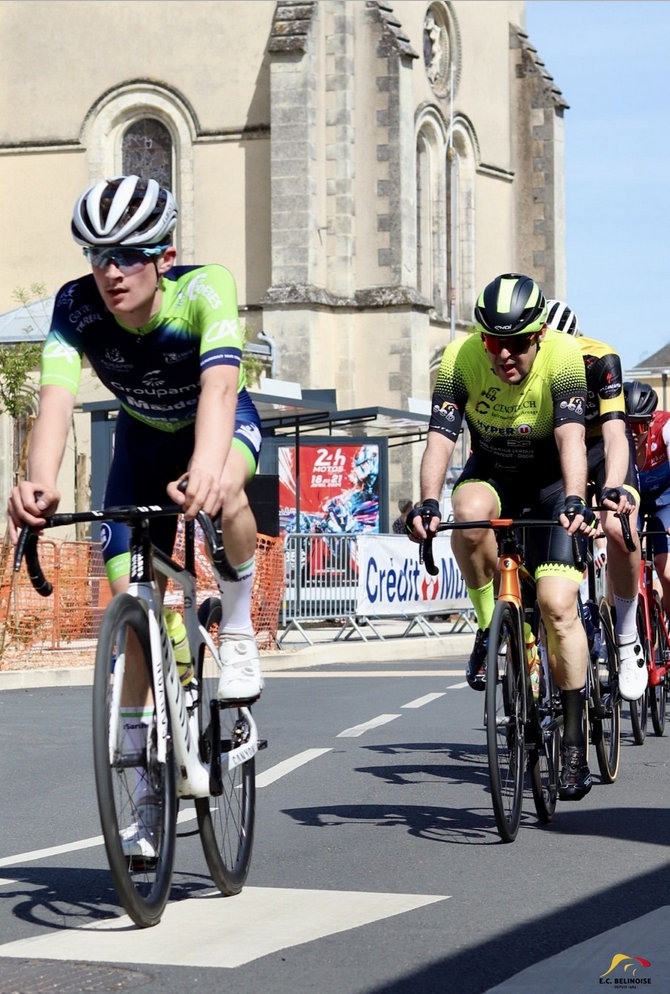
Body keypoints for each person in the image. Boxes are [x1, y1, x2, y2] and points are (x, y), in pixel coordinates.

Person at [7, 175, 264, 854]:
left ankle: (238, 629)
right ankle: (149, 798)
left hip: (217, 425)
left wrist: (205, 465)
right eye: (98, 256)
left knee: (228, 490)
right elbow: (56, 400)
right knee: (131, 612)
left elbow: (220, 387)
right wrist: (38, 484)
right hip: (143, 442)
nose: (111, 272)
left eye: (127, 256)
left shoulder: (205, 288)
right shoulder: (76, 306)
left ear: (164, 256)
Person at [407, 272, 597, 801]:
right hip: (492, 473)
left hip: (552, 486)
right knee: (465, 513)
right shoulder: (459, 358)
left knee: (557, 605)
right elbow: (440, 439)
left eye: (517, 343)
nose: (505, 355)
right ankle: (491, 625)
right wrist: (427, 502)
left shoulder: (563, 357)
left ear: (539, 335)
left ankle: (574, 745)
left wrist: (576, 498)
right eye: (494, 343)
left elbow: (571, 438)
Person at [545, 300, 646, 700]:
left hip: (602, 447)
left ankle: (627, 633)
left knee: (618, 527)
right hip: (558, 450)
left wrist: (613, 487)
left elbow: (616, 433)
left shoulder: (600, 358)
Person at [624, 380, 670, 615]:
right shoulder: (614, 435)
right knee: (622, 567)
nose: (633, 433)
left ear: (650, 421)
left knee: (667, 572)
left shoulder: (665, 427)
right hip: (634, 502)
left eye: (640, 426)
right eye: (628, 425)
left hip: (665, 500)